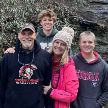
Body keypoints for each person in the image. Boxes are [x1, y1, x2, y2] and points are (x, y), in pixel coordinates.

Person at [0, 23, 52, 108]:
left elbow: (46, 86)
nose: (27, 37)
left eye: (30, 33)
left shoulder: (45, 57)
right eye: (23, 34)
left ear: (35, 35)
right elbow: (1, 85)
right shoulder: (8, 57)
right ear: (19, 36)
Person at [70, 31, 108, 108]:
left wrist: (97, 105)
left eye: (90, 42)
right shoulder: (72, 62)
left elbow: (107, 91)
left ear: (94, 44)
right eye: (84, 42)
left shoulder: (104, 66)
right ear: (79, 43)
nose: (87, 44)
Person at [43, 30, 79, 108]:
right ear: (53, 43)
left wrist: (50, 91)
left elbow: (72, 95)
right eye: (57, 42)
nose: (59, 46)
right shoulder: (44, 59)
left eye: (63, 44)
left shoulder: (69, 67)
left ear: (67, 48)